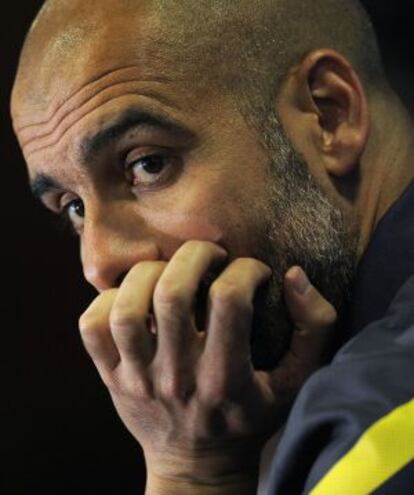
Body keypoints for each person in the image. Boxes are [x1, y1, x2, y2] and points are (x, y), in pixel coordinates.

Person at [11, 0, 414, 493]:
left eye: (148, 164)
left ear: (329, 115)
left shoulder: (377, 430)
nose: (99, 263)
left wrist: (191, 471)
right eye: (73, 206)